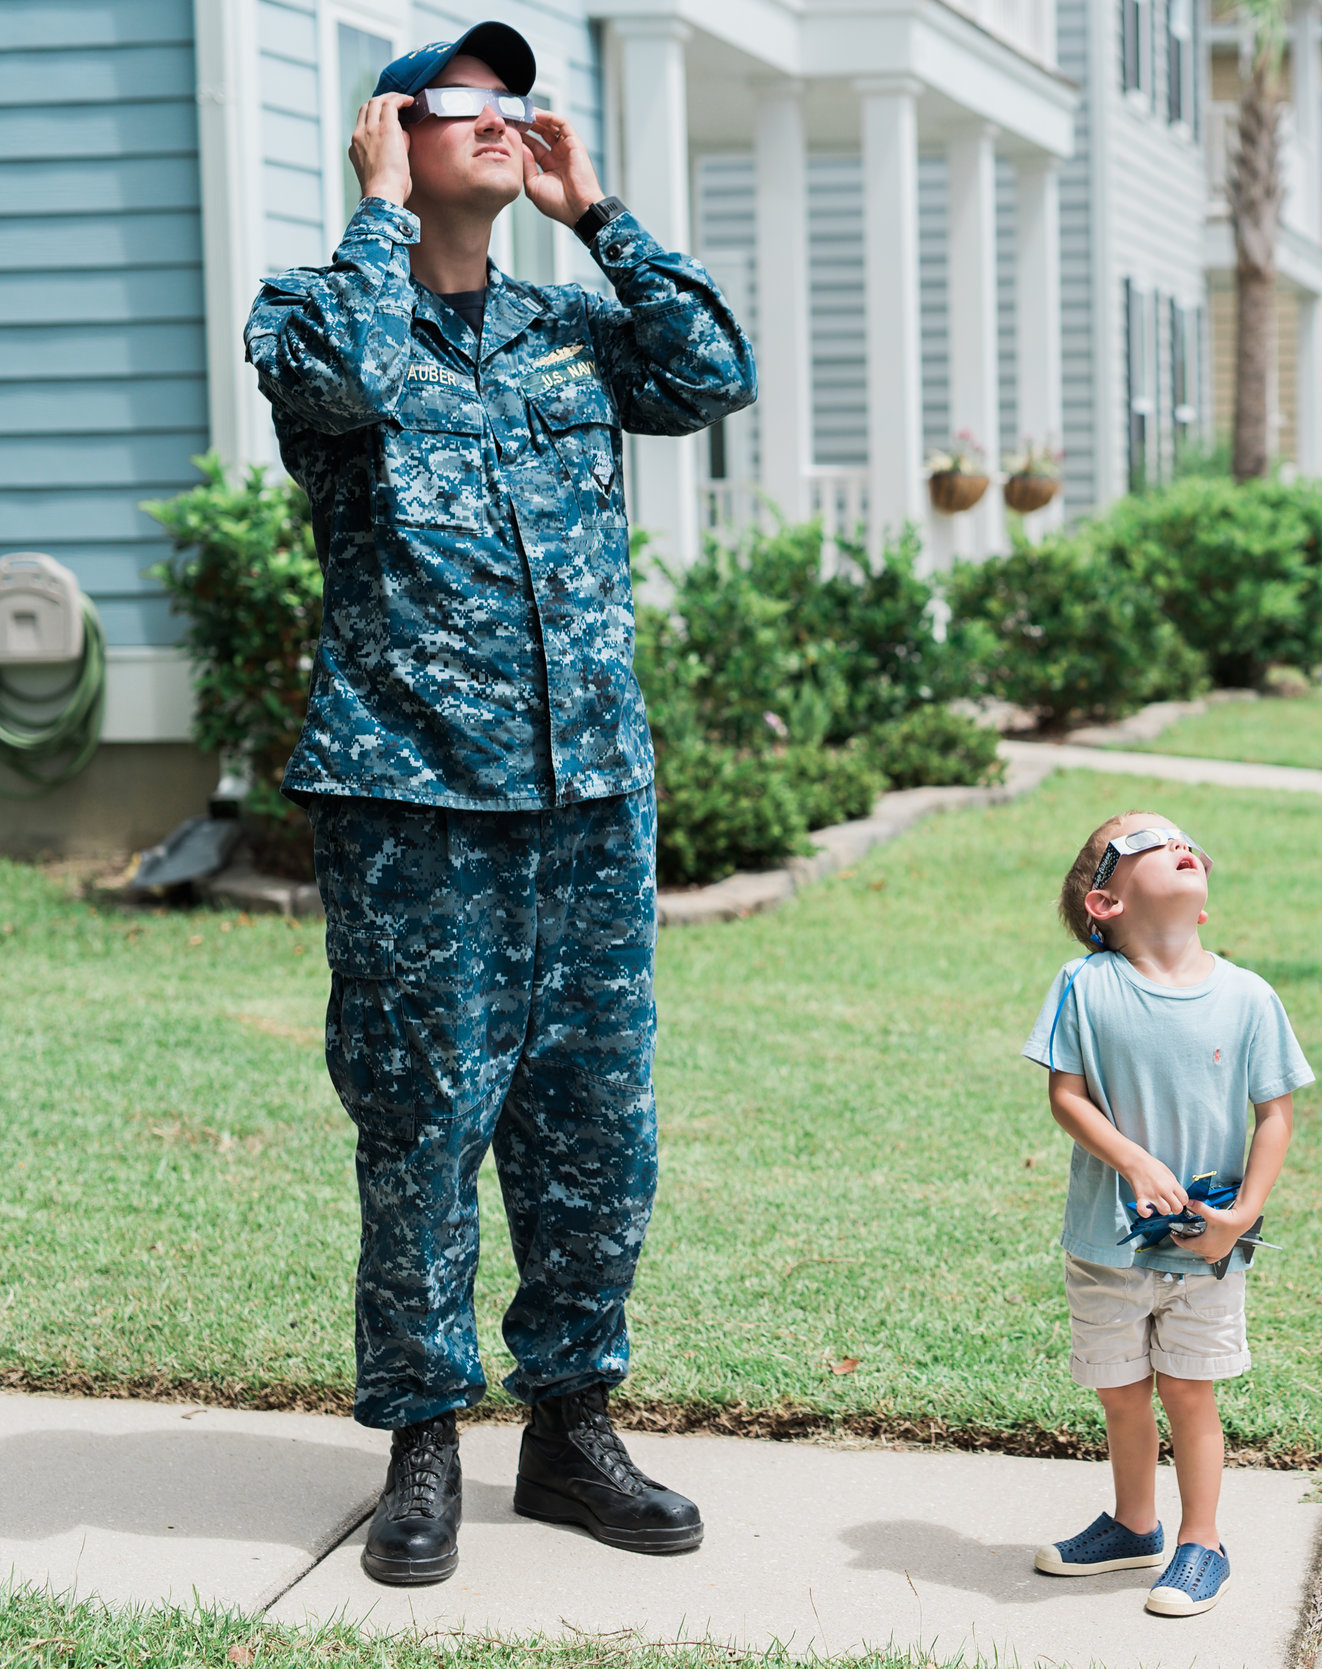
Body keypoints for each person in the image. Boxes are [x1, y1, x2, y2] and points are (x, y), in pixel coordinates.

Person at [244, 21, 757, 1587]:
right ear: (394, 130)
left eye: (518, 104)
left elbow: (712, 371)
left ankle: (572, 1428)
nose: (507, 121)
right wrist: (380, 208)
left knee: (596, 1123)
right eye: (468, 104)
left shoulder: (568, 330)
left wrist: (599, 214)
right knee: (422, 1124)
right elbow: (346, 374)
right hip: (413, 797)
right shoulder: (317, 309)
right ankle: (419, 1443)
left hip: (589, 790)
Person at [1021, 812, 1311, 1618]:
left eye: (1186, 840)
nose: (1180, 841)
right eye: (1150, 839)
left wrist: (1243, 1213)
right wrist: (1135, 1161)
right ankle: (1133, 1523)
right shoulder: (1085, 986)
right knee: (1121, 1390)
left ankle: (1202, 1541)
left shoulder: (1248, 996)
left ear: (1204, 902)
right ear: (1104, 903)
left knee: (1189, 1389)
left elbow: (1276, 1115)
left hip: (1208, 1244)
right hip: (1105, 1243)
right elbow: (1066, 1097)